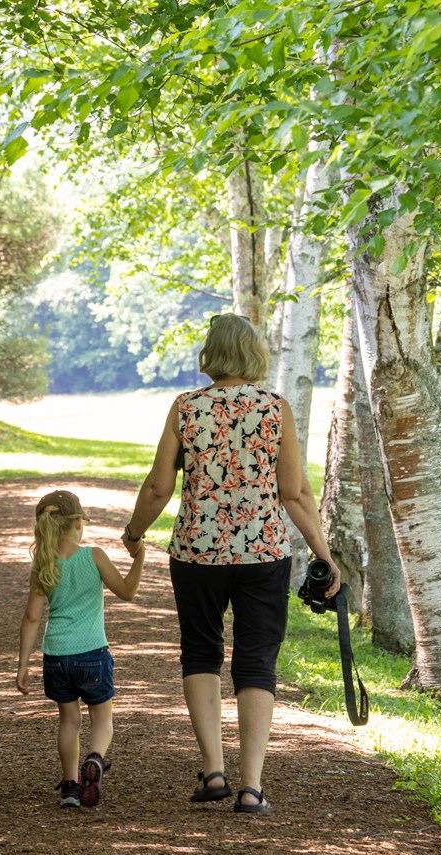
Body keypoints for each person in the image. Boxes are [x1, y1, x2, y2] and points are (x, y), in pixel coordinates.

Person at [121, 312, 340, 815]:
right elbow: (296, 492)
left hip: (197, 551)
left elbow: (159, 486)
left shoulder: (185, 408)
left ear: (210, 354)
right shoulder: (274, 408)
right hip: (263, 552)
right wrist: (324, 555)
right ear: (253, 353)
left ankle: (214, 771)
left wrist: (134, 533)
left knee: (200, 653)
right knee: (257, 660)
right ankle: (252, 786)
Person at [16, 489, 145, 809]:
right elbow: (127, 592)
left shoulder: (43, 565)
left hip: (56, 656)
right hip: (92, 653)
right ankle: (96, 759)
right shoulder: (94, 556)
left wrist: (22, 665)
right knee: (102, 719)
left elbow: (32, 617)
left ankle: (71, 787)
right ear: (76, 523)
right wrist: (139, 556)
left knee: (69, 721)